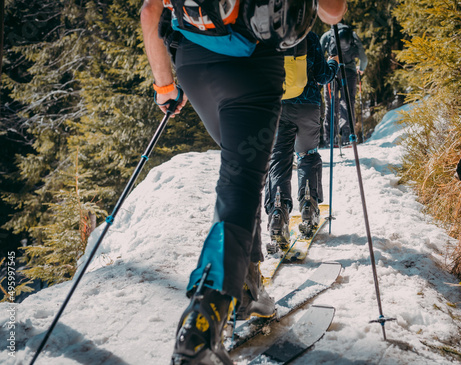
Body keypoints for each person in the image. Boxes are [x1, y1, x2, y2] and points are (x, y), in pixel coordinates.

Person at [140, 1, 347, 364]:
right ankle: (204, 316)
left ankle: (249, 289)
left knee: (243, 172)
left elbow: (149, 11)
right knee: (241, 180)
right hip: (253, 66)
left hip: (192, 63)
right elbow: (332, 12)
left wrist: (165, 85)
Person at [265, 31, 338, 253]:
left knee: (279, 159)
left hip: (277, 107)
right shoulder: (309, 36)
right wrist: (333, 63)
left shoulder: (265, 33)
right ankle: (308, 204)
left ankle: (278, 211)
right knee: (307, 154)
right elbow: (323, 76)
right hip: (308, 106)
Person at [320, 23, 367, 147]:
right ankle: (347, 138)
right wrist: (361, 68)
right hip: (350, 72)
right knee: (348, 103)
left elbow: (319, 56)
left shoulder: (327, 35)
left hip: (332, 73)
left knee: (331, 104)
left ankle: (331, 139)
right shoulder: (352, 34)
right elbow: (363, 57)